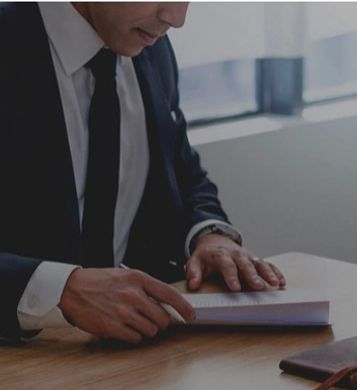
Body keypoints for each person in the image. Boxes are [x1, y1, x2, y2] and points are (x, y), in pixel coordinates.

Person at [0, 2, 286, 344]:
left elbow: (182, 170)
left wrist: (209, 235)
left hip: (132, 360)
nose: (177, 19)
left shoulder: (152, 48)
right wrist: (61, 289)